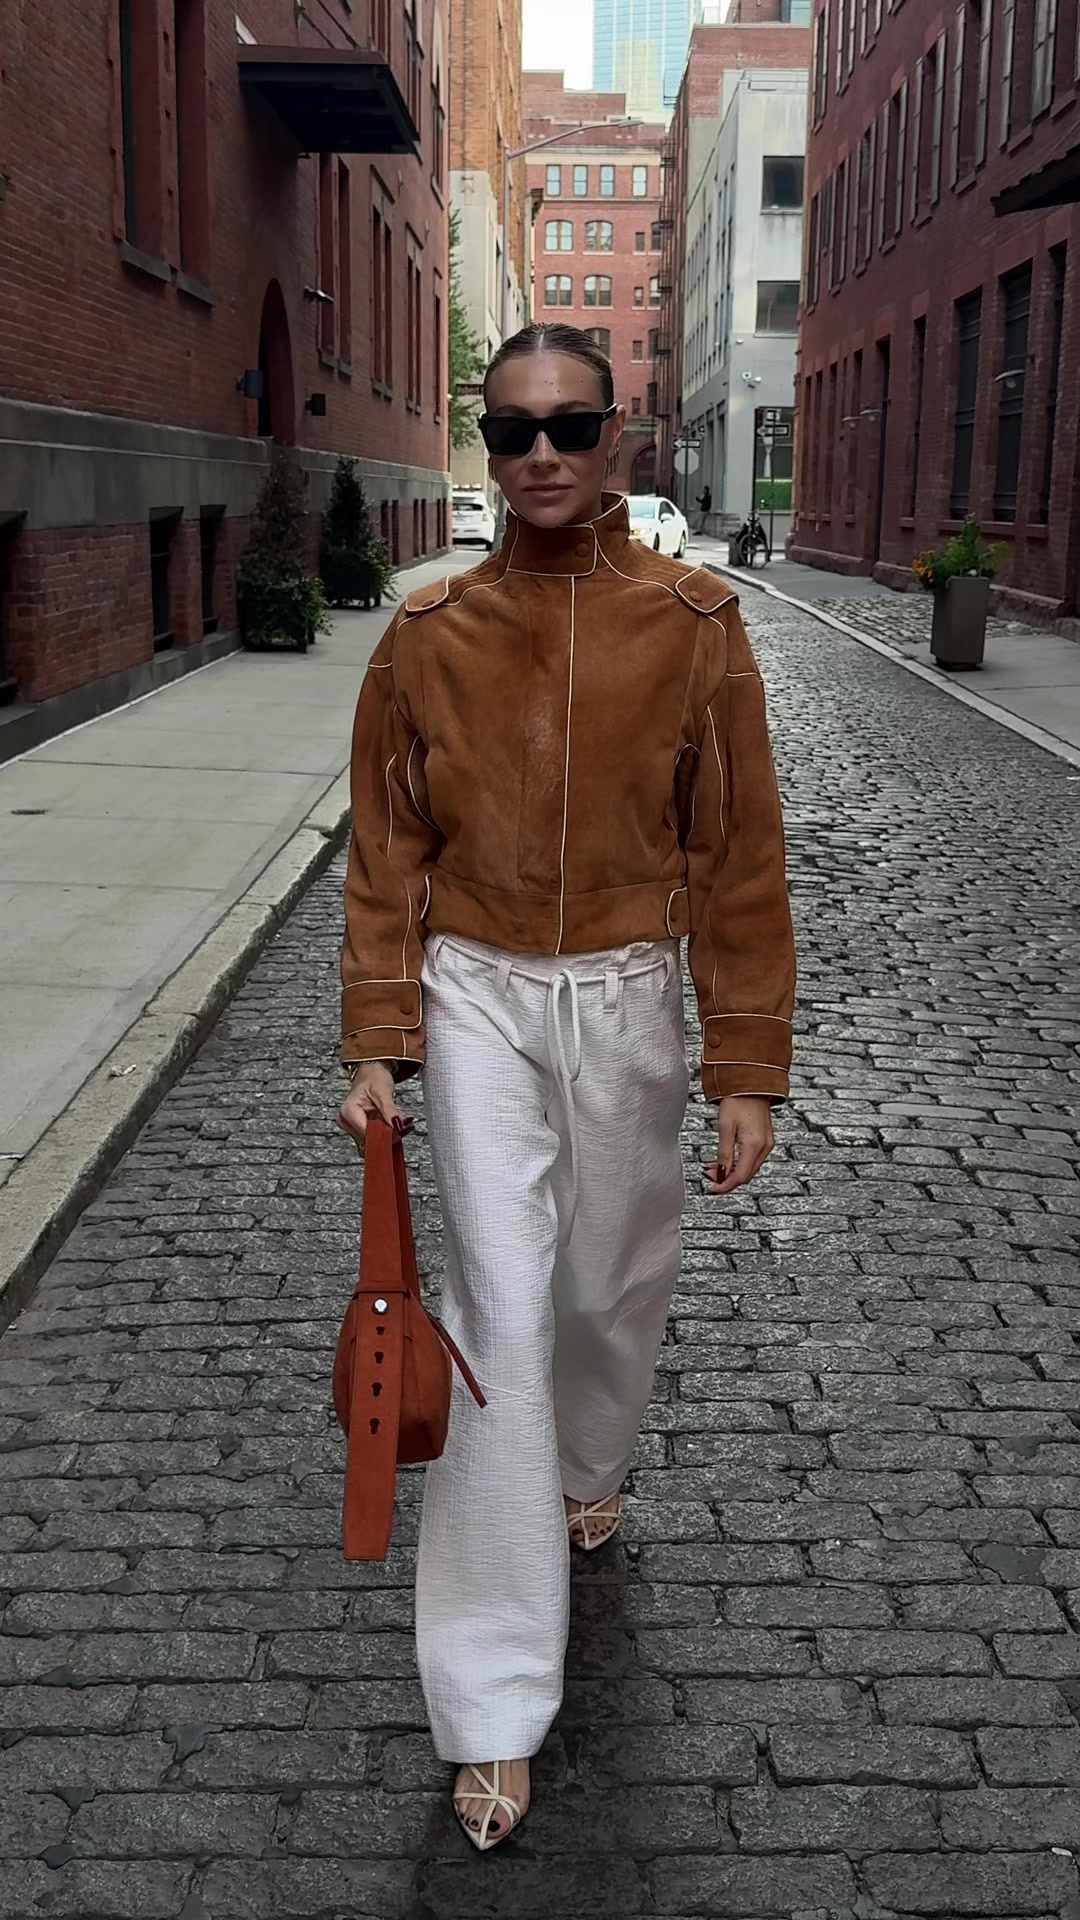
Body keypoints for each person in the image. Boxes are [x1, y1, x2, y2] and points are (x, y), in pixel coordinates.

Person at [336, 322, 795, 1852]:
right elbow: (386, 855)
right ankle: (490, 1699)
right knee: (501, 1319)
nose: (542, 454)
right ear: (488, 442)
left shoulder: (696, 624)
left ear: (617, 440)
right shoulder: (428, 633)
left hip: (629, 995)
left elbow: (739, 856)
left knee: (610, 1285)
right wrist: (377, 1040)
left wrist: (747, 1062)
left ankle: (594, 1466)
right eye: (515, 429)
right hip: (475, 997)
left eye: (571, 428)